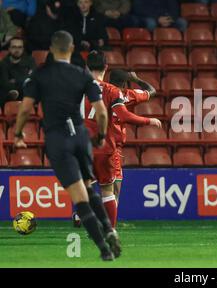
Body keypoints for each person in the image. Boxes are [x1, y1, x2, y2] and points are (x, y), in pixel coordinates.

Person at [14, 31, 121, 261]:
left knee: (79, 196)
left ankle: (104, 247)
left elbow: (25, 108)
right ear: (72, 50)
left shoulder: (39, 75)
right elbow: (102, 112)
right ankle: (109, 228)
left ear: (51, 50)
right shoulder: (83, 75)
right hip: (81, 137)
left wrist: (18, 133)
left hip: (59, 138)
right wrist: (101, 136)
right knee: (88, 185)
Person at [78, 51, 161, 229]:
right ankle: (109, 228)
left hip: (81, 145)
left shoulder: (77, 88)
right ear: (105, 67)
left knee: (87, 186)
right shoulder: (120, 93)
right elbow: (150, 93)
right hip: (108, 146)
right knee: (110, 191)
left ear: (86, 67)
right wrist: (137, 79)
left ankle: (84, 215)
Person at [107, 69, 157, 204]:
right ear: (125, 84)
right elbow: (152, 90)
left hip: (94, 143)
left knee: (95, 185)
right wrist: (136, 79)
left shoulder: (100, 93)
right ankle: (105, 222)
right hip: (112, 148)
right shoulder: (128, 95)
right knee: (114, 192)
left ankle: (85, 213)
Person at [0, 37, 36, 102]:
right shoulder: (3, 64)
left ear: (23, 49)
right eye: (14, 47)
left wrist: (15, 80)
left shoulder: (30, 61)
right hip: (9, 96)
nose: (17, 50)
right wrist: (24, 79)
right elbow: (5, 84)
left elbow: (33, 79)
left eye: (20, 47)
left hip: (26, 94)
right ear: (9, 49)